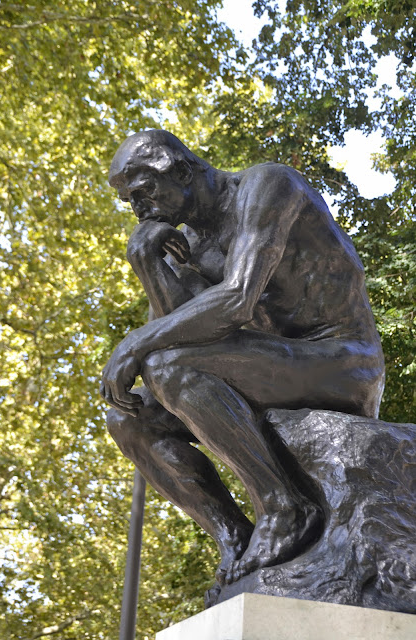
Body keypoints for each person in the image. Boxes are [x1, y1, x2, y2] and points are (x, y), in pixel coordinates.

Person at [100, 129, 384, 587]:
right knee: (128, 419)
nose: (138, 209)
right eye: (128, 201)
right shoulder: (187, 244)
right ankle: (232, 533)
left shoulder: (268, 186)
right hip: (272, 368)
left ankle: (285, 507)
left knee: (169, 367)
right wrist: (148, 263)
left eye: (144, 192)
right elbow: (177, 334)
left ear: (181, 170)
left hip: (342, 360)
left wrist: (133, 344)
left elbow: (237, 299)